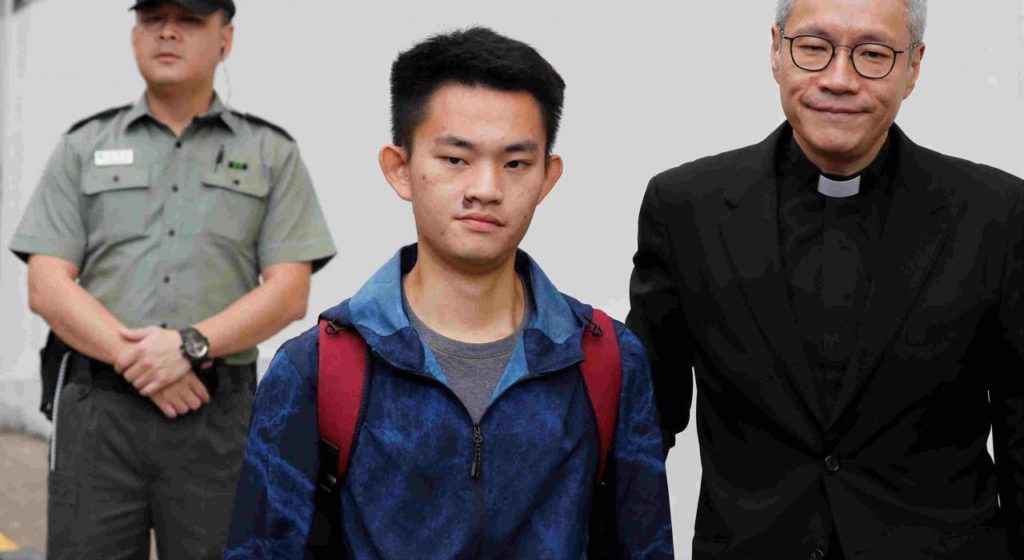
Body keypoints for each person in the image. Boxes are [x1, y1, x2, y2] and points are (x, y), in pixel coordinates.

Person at [223, 27, 673, 559]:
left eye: (515, 163)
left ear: (547, 178)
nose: (486, 189)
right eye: (456, 159)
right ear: (400, 169)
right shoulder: (317, 368)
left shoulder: (605, 360)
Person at [626, 0, 1023, 558]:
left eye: (873, 54)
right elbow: (643, 424)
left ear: (913, 66)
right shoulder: (685, 210)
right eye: (813, 48)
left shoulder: (996, 215)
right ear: (775, 51)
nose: (839, 79)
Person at [9, 0, 337, 557]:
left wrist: (189, 346)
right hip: (98, 413)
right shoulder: (83, 146)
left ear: (225, 40)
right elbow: (46, 283)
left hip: (214, 416)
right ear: (134, 36)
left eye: (188, 20)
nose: (166, 33)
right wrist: (141, 360)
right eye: (151, 19)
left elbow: (289, 291)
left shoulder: (270, 152)